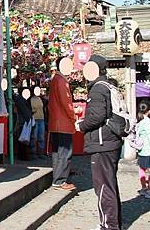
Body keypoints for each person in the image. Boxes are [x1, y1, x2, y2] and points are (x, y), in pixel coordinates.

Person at [76, 55, 122, 230]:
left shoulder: (97, 89)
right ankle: (113, 223)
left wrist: (81, 125)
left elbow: (96, 116)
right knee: (110, 184)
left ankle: (108, 225)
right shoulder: (109, 86)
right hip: (112, 141)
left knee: (103, 186)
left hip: (102, 143)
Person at [48, 58, 77, 191]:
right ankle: (60, 180)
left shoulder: (55, 79)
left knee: (57, 152)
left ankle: (58, 177)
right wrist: (74, 115)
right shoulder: (61, 80)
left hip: (55, 121)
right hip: (63, 122)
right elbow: (66, 103)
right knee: (65, 152)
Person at [30, 90, 45, 157]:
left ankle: (40, 153)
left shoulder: (40, 98)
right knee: (34, 137)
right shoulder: (31, 99)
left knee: (41, 137)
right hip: (35, 119)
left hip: (41, 119)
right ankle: (33, 152)